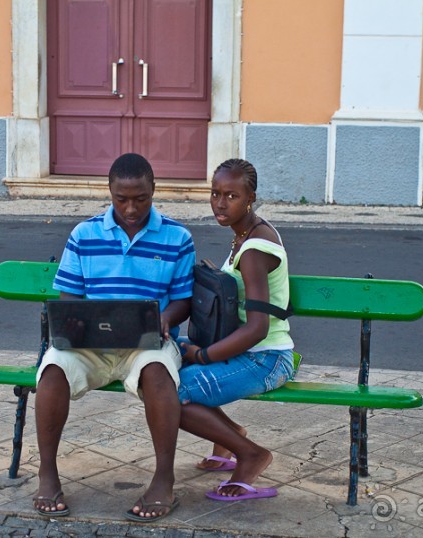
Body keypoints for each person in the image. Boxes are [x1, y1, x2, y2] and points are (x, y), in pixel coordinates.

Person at [32, 153, 195, 521]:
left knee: (158, 372)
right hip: (92, 343)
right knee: (53, 368)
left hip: (148, 342)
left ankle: (163, 479)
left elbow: (184, 300)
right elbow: (70, 296)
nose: (131, 208)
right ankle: (47, 473)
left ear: (154, 191)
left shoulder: (177, 238)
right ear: (109, 192)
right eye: (121, 199)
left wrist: (167, 319)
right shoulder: (84, 234)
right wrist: (73, 321)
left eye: (141, 198)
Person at [177, 158, 296, 501]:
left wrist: (202, 354)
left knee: (170, 394)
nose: (219, 202)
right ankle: (229, 436)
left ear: (250, 198)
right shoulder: (247, 234)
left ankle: (251, 454)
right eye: (215, 193)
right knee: (159, 366)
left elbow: (258, 328)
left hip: (266, 359)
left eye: (231, 195)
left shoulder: (255, 249)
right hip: (250, 352)